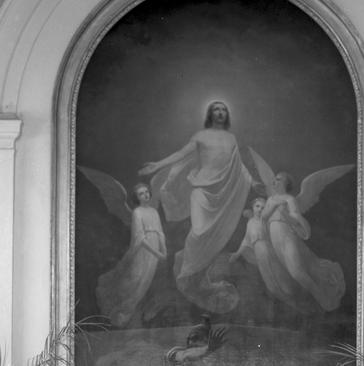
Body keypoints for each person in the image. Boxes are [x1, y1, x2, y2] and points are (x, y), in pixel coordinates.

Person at [140, 101, 255, 313]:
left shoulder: (231, 139)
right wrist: (158, 165)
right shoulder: (201, 135)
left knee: (215, 239)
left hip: (223, 195)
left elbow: (239, 168)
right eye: (216, 109)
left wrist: (253, 183)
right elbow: (181, 154)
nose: (220, 112)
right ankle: (186, 268)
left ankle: (196, 278)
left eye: (223, 109)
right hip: (201, 189)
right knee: (199, 232)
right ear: (210, 114)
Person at [259, 172, 345, 311]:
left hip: (288, 236)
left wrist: (283, 213)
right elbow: (264, 216)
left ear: (286, 183)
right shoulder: (271, 199)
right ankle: (310, 303)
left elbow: (296, 220)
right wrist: (275, 206)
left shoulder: (290, 199)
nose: (274, 181)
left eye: (278, 179)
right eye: (275, 179)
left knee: (296, 272)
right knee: (286, 273)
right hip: (275, 239)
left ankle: (324, 300)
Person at [95, 183, 167, 327]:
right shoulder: (137, 212)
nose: (145, 195)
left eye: (146, 192)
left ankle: (125, 312)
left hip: (155, 248)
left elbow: (160, 232)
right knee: (134, 278)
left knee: (145, 281)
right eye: (141, 193)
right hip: (143, 248)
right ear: (137, 198)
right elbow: (139, 236)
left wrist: (163, 250)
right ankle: (118, 307)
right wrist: (156, 252)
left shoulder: (154, 212)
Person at [230, 195, 301, 308]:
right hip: (259, 254)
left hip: (270, 250)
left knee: (282, 279)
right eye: (257, 206)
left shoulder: (268, 221)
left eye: (263, 207)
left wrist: (291, 228)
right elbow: (246, 240)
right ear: (253, 207)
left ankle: (296, 301)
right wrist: (237, 254)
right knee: (270, 283)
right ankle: (286, 303)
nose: (259, 209)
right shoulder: (250, 222)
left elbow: (280, 230)